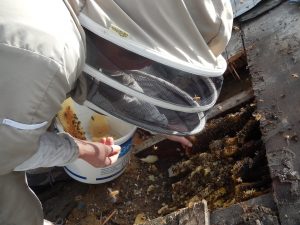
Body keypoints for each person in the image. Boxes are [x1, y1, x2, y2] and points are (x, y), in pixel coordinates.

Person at [0, 0, 233, 224]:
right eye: (148, 59)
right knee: (14, 210)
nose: (144, 67)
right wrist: (82, 150)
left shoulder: (84, 22)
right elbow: (10, 153)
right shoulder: (48, 60)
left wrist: (157, 120)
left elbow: (111, 79)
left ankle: (41, 175)